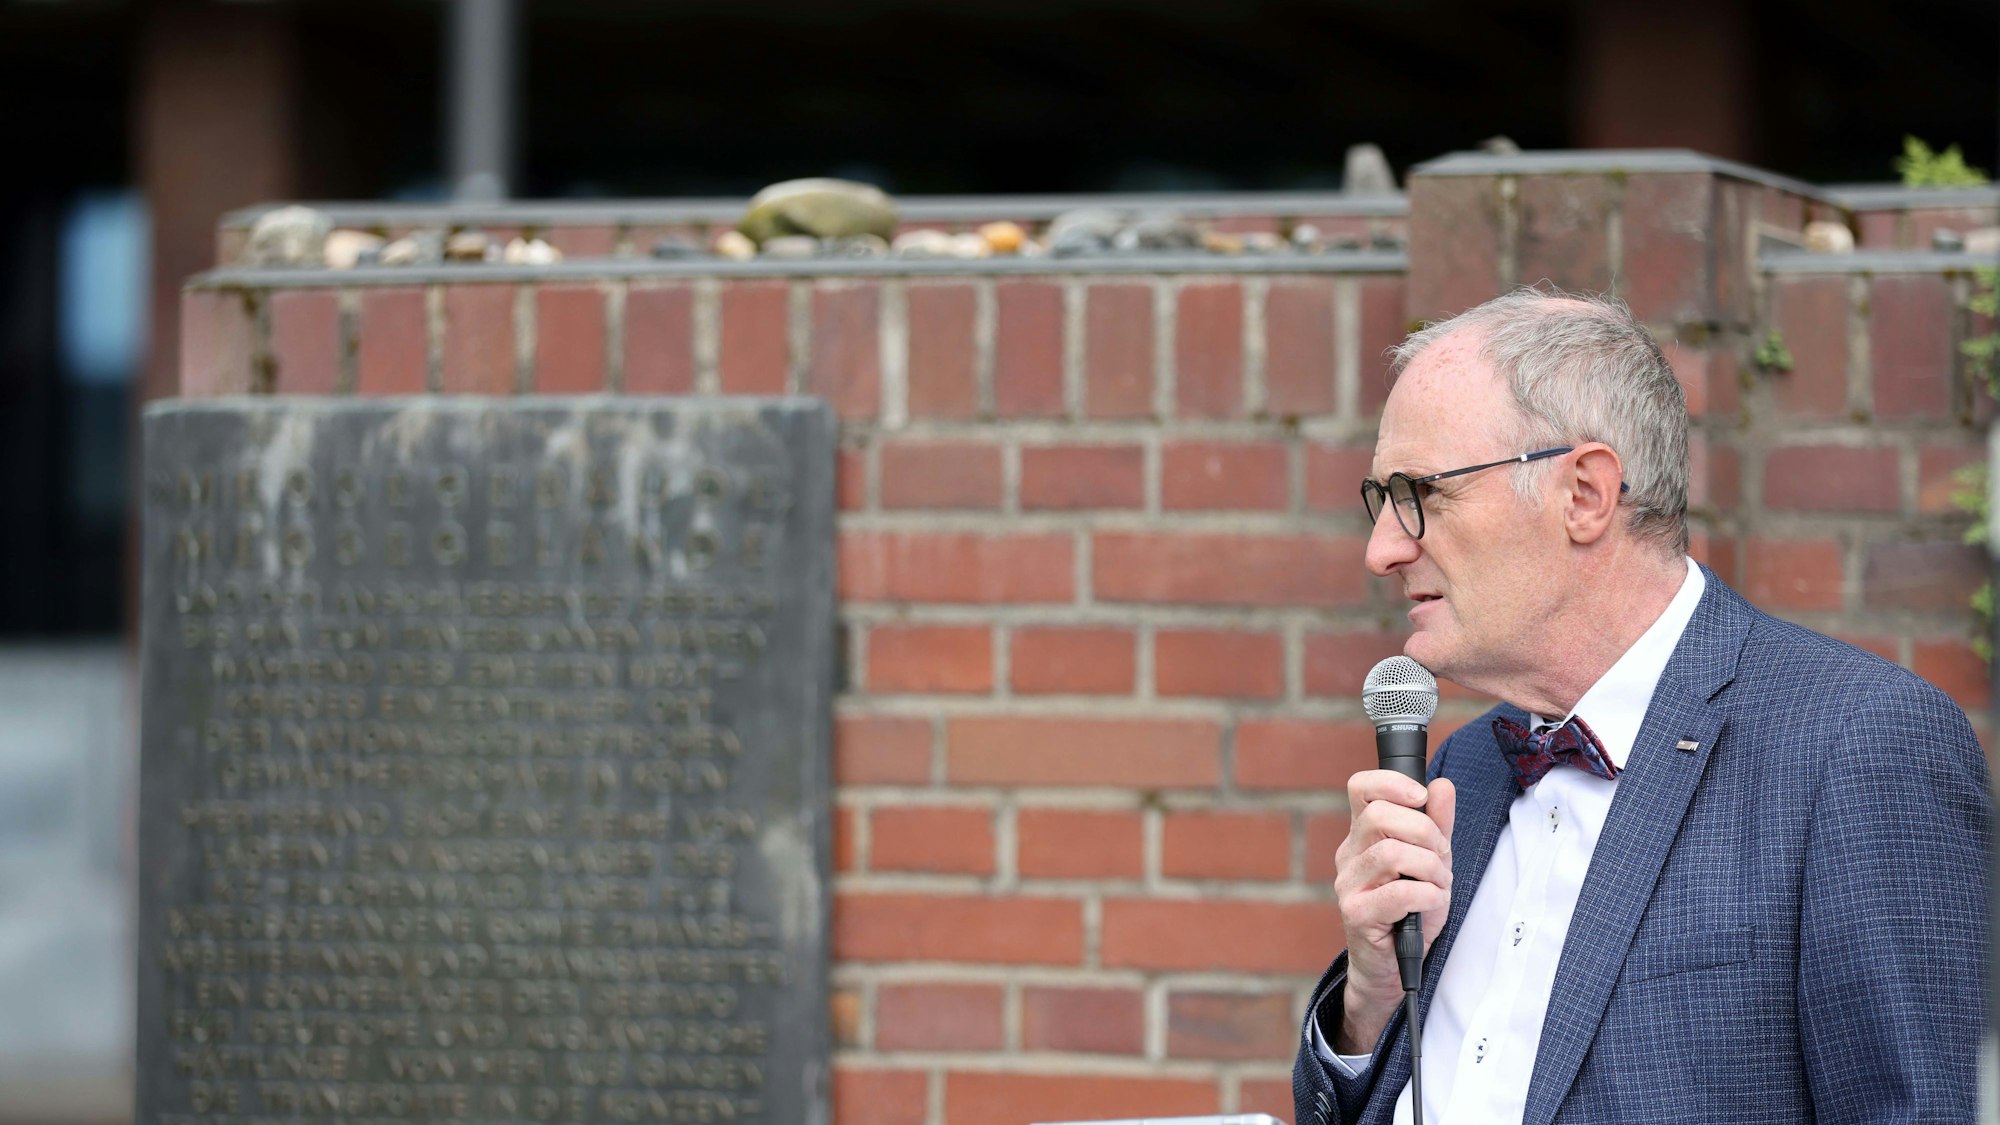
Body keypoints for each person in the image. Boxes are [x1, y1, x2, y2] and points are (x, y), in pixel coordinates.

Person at [1293, 287, 1990, 1125]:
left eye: (1423, 495)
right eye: (1382, 502)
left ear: (1585, 493)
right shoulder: (1464, 769)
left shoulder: (1856, 742)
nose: (1383, 549)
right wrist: (1367, 999)